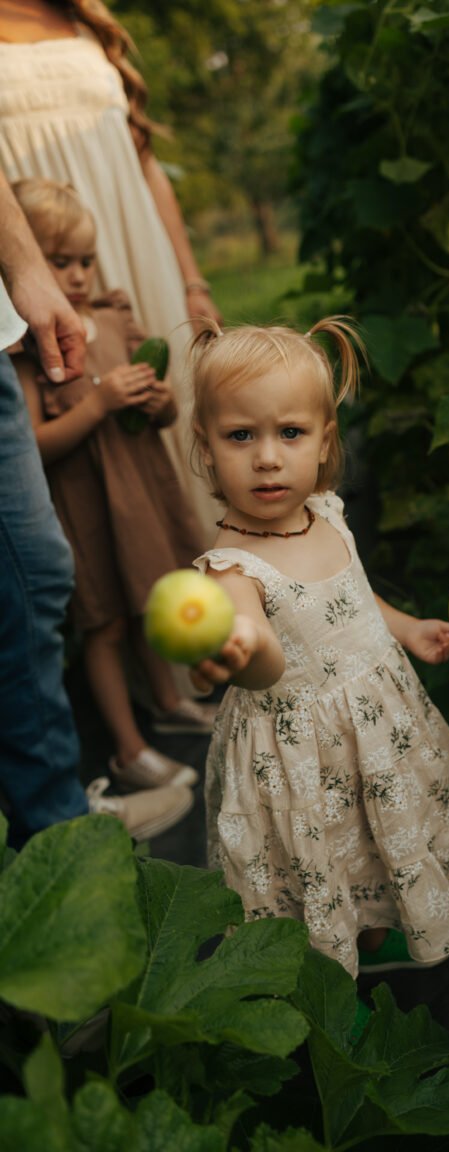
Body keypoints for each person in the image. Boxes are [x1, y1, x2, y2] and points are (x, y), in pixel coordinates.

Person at [187, 317, 449, 977]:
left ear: (324, 441)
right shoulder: (231, 569)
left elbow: (355, 601)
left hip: (370, 729)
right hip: (299, 753)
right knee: (319, 862)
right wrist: (237, 653)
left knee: (367, 837)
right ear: (206, 447)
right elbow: (266, 663)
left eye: (290, 434)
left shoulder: (328, 514)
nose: (268, 457)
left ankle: (371, 936)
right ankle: (332, 989)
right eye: (240, 436)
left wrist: (406, 628)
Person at [0, 167, 194, 848]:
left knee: (152, 598)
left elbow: (167, 410)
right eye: (59, 262)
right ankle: (127, 747)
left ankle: (170, 702)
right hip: (86, 509)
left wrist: (156, 401)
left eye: (84, 260)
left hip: (138, 496)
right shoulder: (25, 351)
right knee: (105, 623)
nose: (76, 276)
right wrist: (102, 401)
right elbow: (36, 443)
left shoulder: (113, 317)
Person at [0, 0, 221, 530]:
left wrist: (191, 281)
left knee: (173, 401)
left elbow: (145, 164)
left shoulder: (84, 19)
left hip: (134, 249)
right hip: (37, 262)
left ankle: (223, 572)